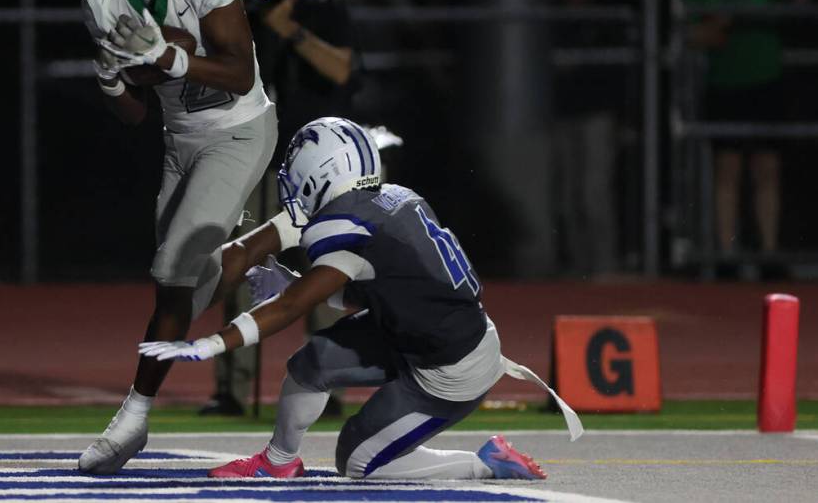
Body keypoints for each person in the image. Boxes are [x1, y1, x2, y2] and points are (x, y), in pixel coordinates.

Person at [140, 117, 583, 480]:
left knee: (356, 462)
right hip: (419, 333)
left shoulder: (347, 227)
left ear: (321, 174)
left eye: (297, 174)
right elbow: (380, 287)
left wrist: (213, 343)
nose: (291, 184)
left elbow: (293, 305)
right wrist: (289, 279)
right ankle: (277, 464)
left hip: (449, 370)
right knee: (310, 365)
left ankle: (483, 463)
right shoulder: (393, 198)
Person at [76, 0, 277, 474]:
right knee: (190, 281)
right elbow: (134, 114)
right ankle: (271, 261)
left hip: (239, 131)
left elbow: (240, 73)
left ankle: (133, 418)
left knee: (171, 273)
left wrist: (168, 57)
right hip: (178, 142)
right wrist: (113, 79)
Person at [201, 0, 359, 417]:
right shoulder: (241, 15)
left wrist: (287, 27)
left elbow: (341, 70)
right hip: (260, 160)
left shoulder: (325, 8)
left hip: (321, 166)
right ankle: (231, 389)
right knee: (242, 264)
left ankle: (326, 386)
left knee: (327, 270)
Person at [685, 0, 812, 276]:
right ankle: (727, 256)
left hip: (766, 82)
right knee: (727, 172)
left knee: (766, 170)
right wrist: (719, 24)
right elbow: (693, 35)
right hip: (725, 85)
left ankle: (769, 253)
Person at [553, 0, 619, 276]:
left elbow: (615, 75)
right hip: (564, 117)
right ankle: (578, 267)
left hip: (597, 117)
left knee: (594, 194)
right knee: (568, 197)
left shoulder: (601, 21)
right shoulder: (555, 21)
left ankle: (603, 267)